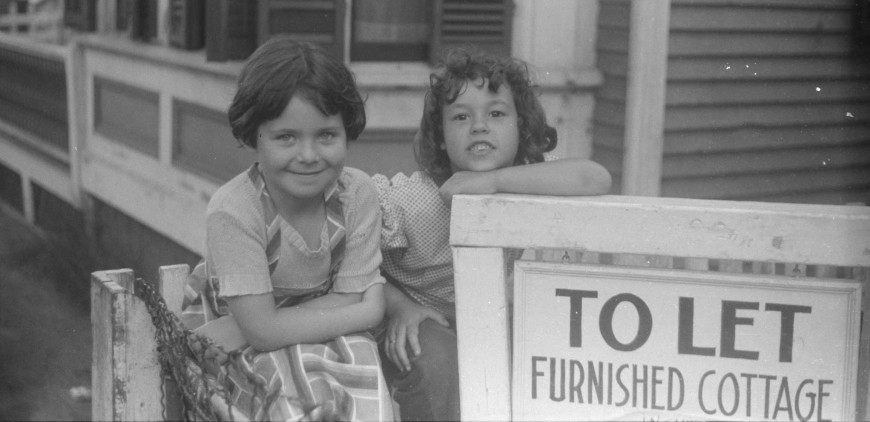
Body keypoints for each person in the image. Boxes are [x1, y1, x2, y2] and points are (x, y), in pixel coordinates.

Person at [372, 49, 612, 421]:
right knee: (435, 358)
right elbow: (354, 255)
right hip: (432, 322)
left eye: (496, 113)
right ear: (439, 136)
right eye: (461, 116)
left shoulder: (532, 181)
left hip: (506, 325)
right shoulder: (411, 198)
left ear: (522, 127)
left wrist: (493, 181)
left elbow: (595, 178)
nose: (479, 126)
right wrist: (400, 307)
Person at [183, 37, 396, 421]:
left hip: (313, 332)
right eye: (286, 137)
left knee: (360, 371)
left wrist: (266, 324)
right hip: (241, 343)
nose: (309, 156)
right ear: (254, 136)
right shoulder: (236, 210)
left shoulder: (356, 193)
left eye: (326, 135)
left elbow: (346, 298)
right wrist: (369, 312)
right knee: (293, 381)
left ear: (346, 132)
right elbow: (265, 333)